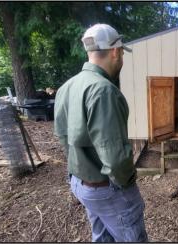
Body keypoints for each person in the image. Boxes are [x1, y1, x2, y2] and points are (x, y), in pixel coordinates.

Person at [54, 23, 148, 242]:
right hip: (107, 188)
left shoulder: (67, 87)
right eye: (122, 52)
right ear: (115, 51)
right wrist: (127, 182)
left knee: (103, 237)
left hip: (80, 183)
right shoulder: (104, 90)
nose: (122, 58)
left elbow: (62, 136)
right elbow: (115, 159)